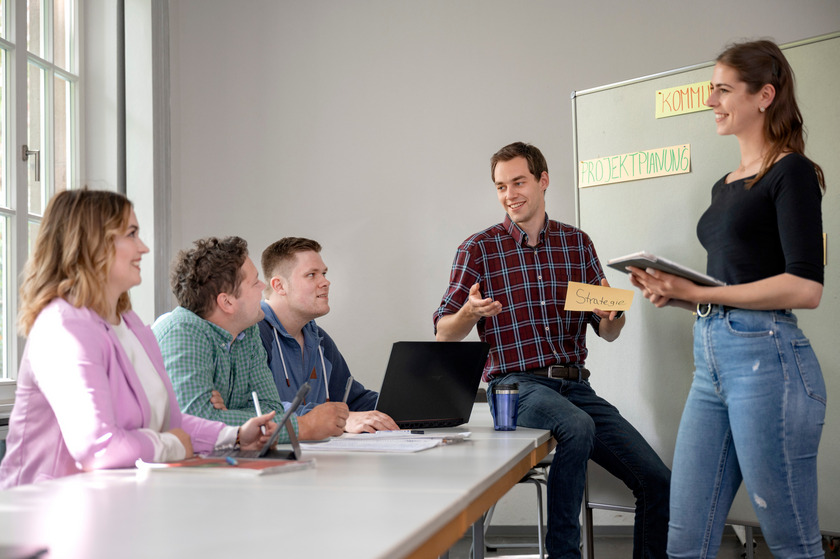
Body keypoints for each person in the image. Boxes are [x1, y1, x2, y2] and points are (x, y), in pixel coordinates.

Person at [627, 40, 826, 558]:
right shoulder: (724, 186)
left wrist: (696, 291)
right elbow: (733, 285)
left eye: (722, 90)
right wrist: (678, 295)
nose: (711, 100)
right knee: (685, 540)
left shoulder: (792, 173)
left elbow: (806, 288)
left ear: (764, 95)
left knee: (791, 545)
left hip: (769, 361)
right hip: (711, 358)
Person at [434, 142, 670, 559]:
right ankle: (565, 553)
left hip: (575, 387)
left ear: (543, 181)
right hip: (515, 385)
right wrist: (469, 312)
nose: (510, 194)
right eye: (501, 186)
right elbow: (443, 334)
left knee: (657, 482)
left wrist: (612, 315)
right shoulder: (479, 249)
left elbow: (608, 331)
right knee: (576, 427)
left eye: (518, 182)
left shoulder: (576, 244)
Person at [0, 190, 276, 488]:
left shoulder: (129, 323)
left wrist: (232, 435)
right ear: (92, 245)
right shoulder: (63, 327)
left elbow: (170, 423)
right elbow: (99, 448)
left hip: (118, 504)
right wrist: (170, 445)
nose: (143, 247)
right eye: (131, 234)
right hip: (49, 512)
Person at [153, 236, 348, 442]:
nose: (263, 286)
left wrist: (224, 415)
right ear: (227, 302)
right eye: (254, 282)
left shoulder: (248, 331)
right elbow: (197, 426)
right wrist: (301, 427)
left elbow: (271, 409)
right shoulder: (184, 333)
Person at [255, 237, 398, 433]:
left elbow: (352, 400)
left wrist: (409, 406)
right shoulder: (253, 334)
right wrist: (342, 419)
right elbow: (257, 409)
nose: (325, 282)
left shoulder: (318, 339)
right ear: (279, 286)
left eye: (323, 273)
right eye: (312, 275)